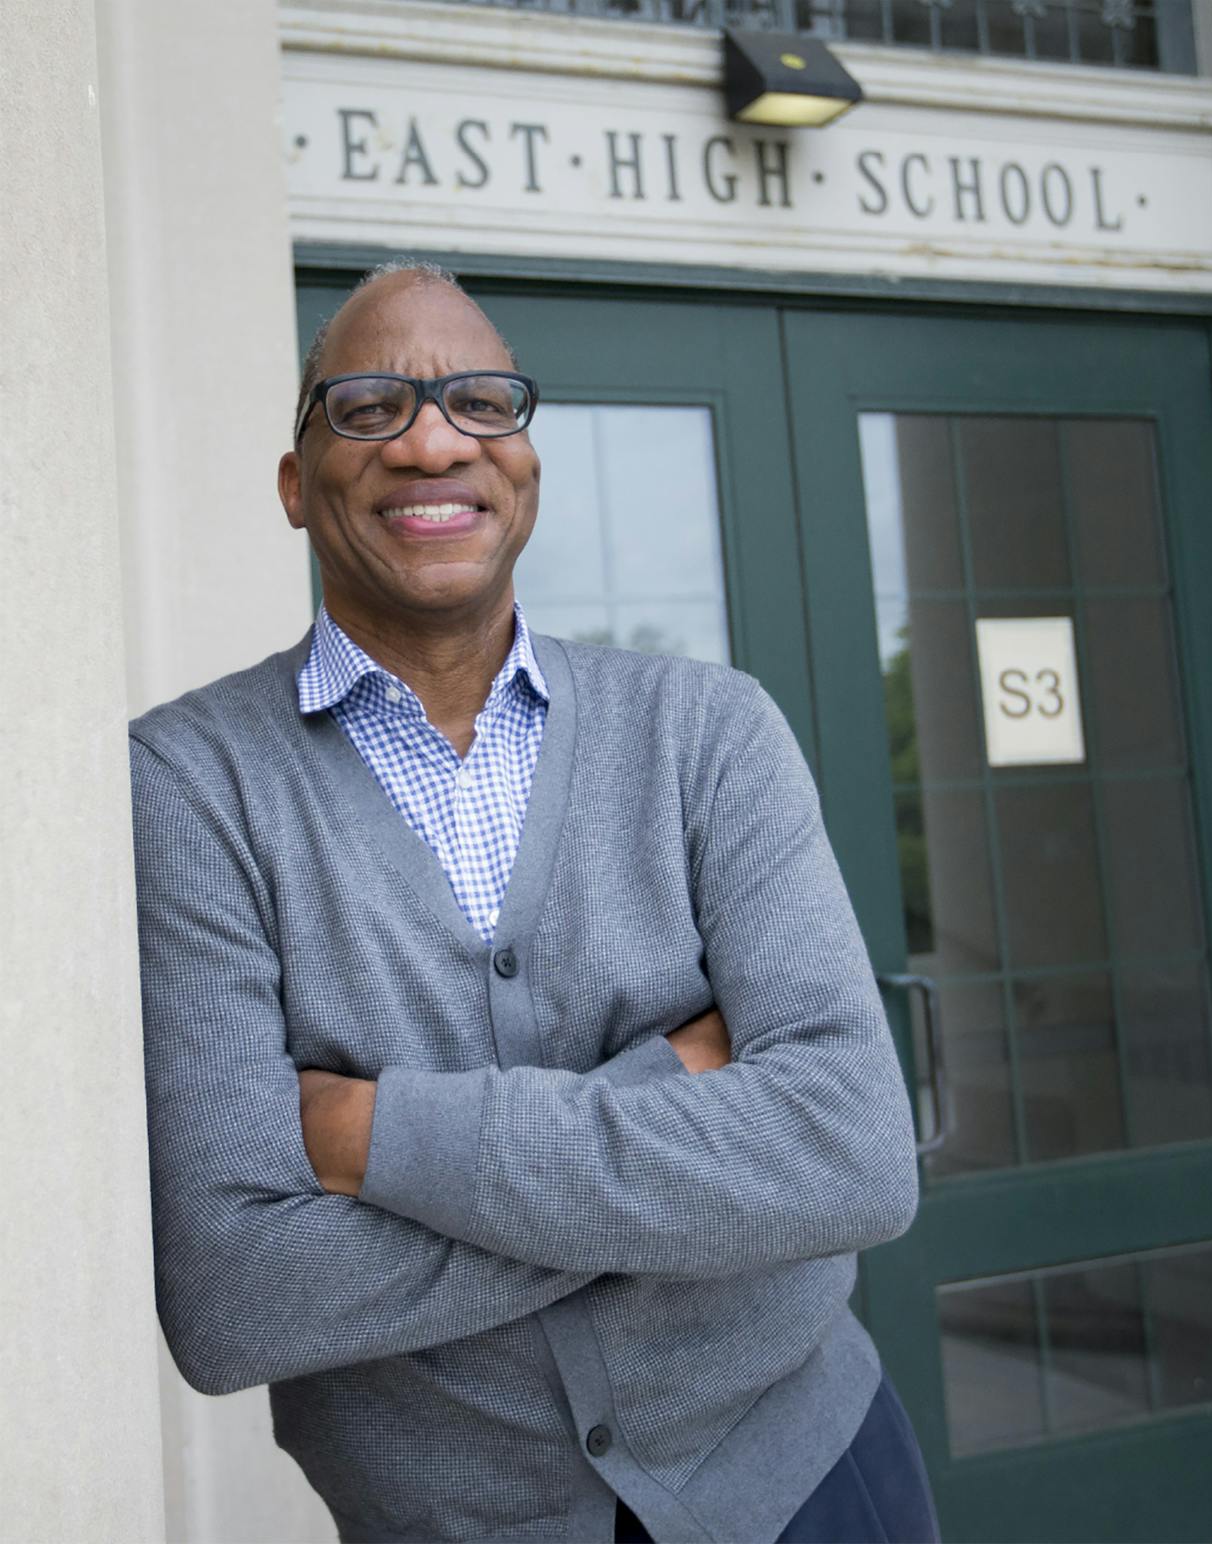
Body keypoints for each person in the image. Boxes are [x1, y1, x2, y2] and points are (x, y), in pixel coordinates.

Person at [129, 260, 939, 1544]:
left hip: (808, 1476)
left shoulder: (705, 733)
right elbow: (236, 1295)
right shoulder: (188, 783)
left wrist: (374, 1136)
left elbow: (852, 1156)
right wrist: (669, 1103)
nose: (434, 437)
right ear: (295, 483)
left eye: (480, 401)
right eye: (368, 407)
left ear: (527, 467)